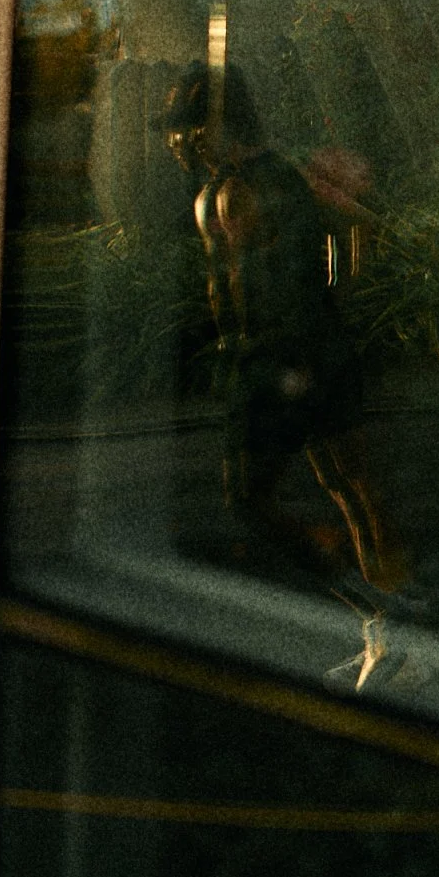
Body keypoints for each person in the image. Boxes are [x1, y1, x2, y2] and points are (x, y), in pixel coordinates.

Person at [161, 59, 402, 607]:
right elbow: (352, 229)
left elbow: (332, 242)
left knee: (260, 495)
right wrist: (336, 304)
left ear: (218, 125)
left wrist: (308, 330)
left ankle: (366, 592)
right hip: (309, 350)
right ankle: (385, 596)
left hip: (277, 361)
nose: (181, 142)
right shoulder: (268, 179)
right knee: (348, 482)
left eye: (190, 127)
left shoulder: (247, 188)